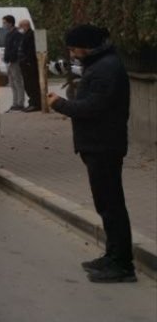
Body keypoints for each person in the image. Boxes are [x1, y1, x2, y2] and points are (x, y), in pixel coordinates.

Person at [47, 24, 135, 283]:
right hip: (98, 144)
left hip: (104, 145)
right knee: (106, 204)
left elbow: (93, 107)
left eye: (74, 48)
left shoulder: (106, 68)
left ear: (86, 45)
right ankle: (113, 256)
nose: (72, 54)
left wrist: (60, 104)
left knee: (111, 206)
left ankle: (122, 264)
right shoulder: (100, 65)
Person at [2, 15, 26, 112]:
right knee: (12, 83)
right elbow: (7, 48)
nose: (3, 25)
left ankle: (20, 103)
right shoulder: (8, 34)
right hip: (9, 62)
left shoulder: (17, 34)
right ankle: (15, 103)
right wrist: (6, 58)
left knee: (18, 82)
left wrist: (11, 58)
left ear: (10, 23)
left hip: (15, 61)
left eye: (4, 23)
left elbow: (16, 49)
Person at [17, 19, 40, 112]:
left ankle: (36, 103)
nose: (19, 29)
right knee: (28, 85)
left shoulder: (31, 35)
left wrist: (27, 61)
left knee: (32, 85)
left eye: (20, 26)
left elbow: (30, 50)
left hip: (29, 64)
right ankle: (32, 102)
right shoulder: (25, 35)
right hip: (25, 64)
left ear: (25, 26)